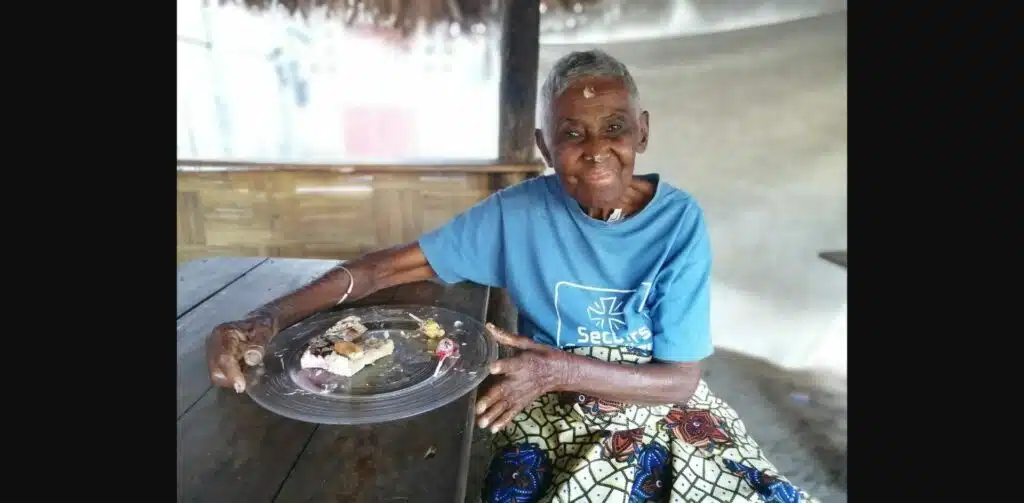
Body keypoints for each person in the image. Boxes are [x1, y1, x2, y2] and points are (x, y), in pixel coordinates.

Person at [207, 49, 818, 503]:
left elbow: (681, 380)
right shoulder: (516, 215)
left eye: (615, 128)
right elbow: (381, 269)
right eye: (572, 134)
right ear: (546, 147)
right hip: (546, 402)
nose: (596, 149)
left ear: (643, 131)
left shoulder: (679, 223)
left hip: (645, 397)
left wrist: (559, 369)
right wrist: (265, 318)